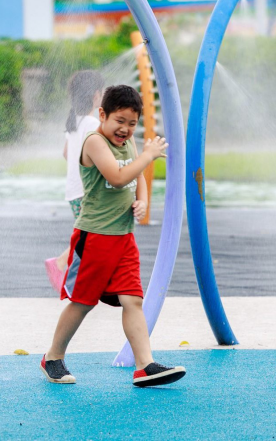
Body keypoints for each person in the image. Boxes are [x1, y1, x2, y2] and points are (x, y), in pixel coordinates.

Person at [41, 85, 185, 387]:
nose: (125, 129)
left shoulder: (130, 145)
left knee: (133, 300)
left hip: (123, 238)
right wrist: (147, 156)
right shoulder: (94, 142)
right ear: (102, 114)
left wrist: (143, 199)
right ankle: (52, 357)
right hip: (94, 237)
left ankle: (145, 365)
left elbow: (136, 178)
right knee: (82, 302)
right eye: (120, 121)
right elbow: (119, 178)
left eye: (132, 123)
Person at [44, 70, 105, 292]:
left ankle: (80, 278)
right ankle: (61, 264)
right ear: (96, 95)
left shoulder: (75, 122)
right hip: (86, 191)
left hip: (74, 190)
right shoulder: (91, 123)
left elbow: (66, 153)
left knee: (88, 236)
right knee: (91, 237)